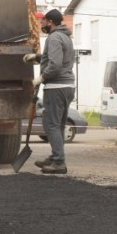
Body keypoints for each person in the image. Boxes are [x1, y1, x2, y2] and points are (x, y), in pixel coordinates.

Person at [24, 9, 75, 174]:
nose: (41, 23)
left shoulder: (53, 38)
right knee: (58, 126)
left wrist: (41, 78)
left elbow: (55, 65)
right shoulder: (65, 37)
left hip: (56, 87)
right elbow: (56, 58)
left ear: (51, 22)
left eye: (43, 20)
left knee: (51, 125)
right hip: (68, 86)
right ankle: (55, 157)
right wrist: (37, 57)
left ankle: (59, 162)